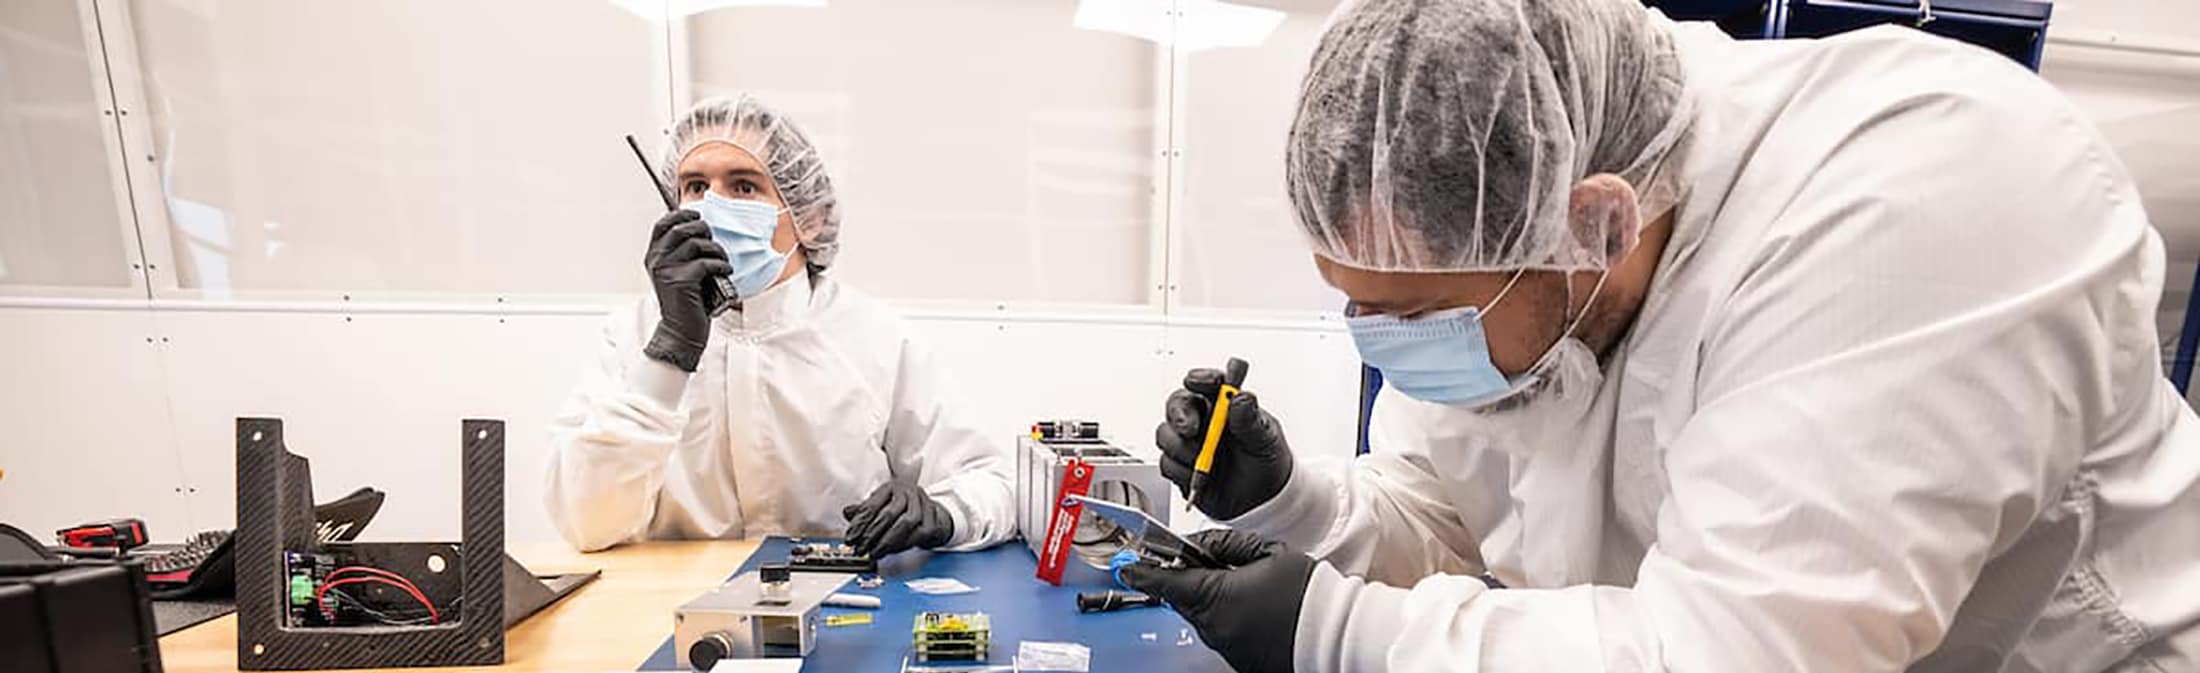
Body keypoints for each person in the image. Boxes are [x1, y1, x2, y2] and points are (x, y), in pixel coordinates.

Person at [1123, 1, 2200, 671]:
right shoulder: (1519, 265)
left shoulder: (1911, 193)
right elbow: (1453, 519)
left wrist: (1331, 633)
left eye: (1410, 315)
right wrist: (1291, 502)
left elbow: (1740, 652)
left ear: (1595, 224)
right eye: (1355, 304)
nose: (1381, 346)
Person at [544, 95, 1015, 559]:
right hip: (668, 612)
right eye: (694, 186)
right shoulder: (630, 336)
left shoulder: (875, 339)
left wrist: (941, 514)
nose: (712, 207)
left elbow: (993, 485)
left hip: (839, 606)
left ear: (809, 217)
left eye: (744, 186)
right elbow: (585, 522)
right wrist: (672, 349)